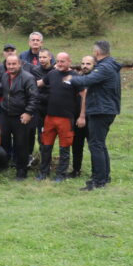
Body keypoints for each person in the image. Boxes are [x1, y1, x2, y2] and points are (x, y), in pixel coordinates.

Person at [65, 41, 121, 191]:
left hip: (101, 110)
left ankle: (98, 180)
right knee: (100, 144)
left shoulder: (104, 67)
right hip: (105, 109)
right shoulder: (110, 65)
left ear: (97, 53)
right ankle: (104, 176)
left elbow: (86, 80)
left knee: (95, 144)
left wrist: (70, 78)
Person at [0, 56, 38, 180]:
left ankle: (22, 170)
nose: (11, 66)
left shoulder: (28, 78)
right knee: (2, 140)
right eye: (9, 64)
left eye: (13, 64)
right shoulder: (5, 76)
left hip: (21, 115)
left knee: (21, 144)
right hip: (5, 114)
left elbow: (34, 98)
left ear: (19, 64)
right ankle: (3, 164)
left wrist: (28, 112)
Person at [35, 52, 82, 182]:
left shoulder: (75, 77)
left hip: (66, 118)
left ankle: (61, 174)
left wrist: (82, 115)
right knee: (45, 146)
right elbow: (39, 83)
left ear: (69, 62)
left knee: (64, 148)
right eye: (58, 61)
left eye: (63, 61)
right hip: (49, 117)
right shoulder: (52, 74)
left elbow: (84, 95)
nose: (60, 64)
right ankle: (43, 172)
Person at [70, 55, 94, 178]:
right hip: (76, 117)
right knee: (76, 145)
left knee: (93, 145)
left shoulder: (96, 80)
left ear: (94, 65)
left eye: (88, 64)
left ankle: (96, 172)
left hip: (92, 118)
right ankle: (76, 170)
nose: (84, 66)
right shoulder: (79, 79)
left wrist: (83, 116)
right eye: (83, 63)